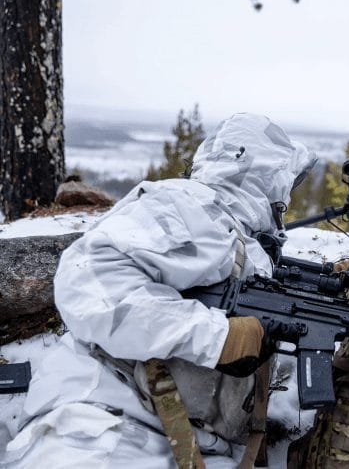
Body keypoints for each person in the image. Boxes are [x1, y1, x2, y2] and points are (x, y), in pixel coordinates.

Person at [0, 113, 317, 468]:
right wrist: (217, 336)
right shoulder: (190, 206)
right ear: (267, 177)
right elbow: (90, 279)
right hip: (102, 424)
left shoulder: (237, 230)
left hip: (188, 441)